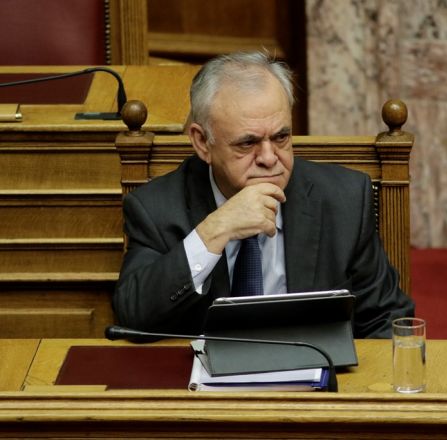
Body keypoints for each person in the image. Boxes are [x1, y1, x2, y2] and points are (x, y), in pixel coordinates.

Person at [112, 51, 414, 338]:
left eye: (281, 137)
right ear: (202, 142)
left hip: (315, 382)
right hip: (203, 387)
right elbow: (134, 315)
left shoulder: (344, 200)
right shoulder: (156, 208)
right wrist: (214, 230)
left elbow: (385, 320)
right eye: (247, 143)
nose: (269, 158)